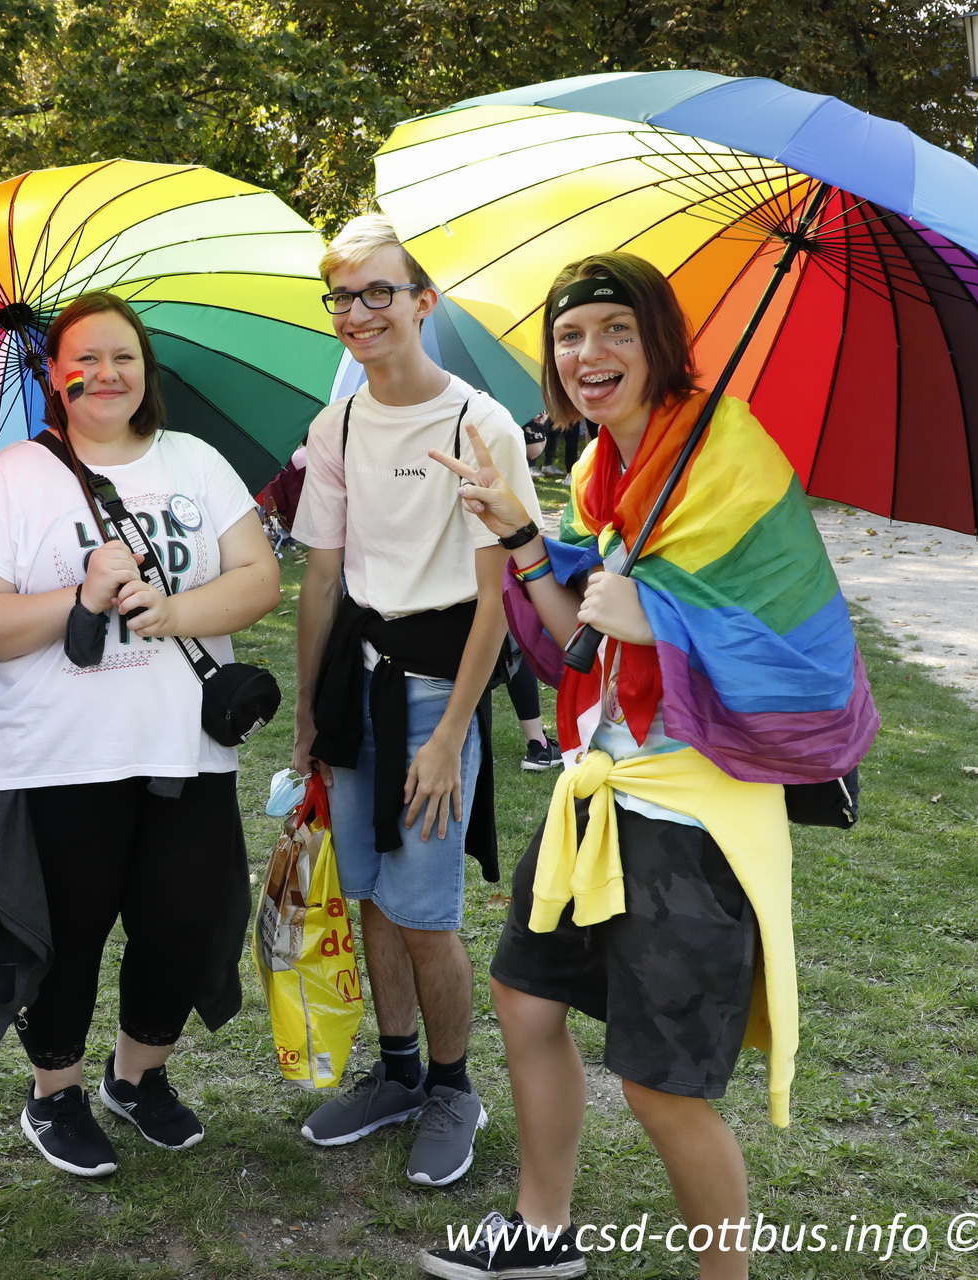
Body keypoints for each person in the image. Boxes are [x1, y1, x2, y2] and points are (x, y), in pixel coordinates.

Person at [417, 253, 875, 1279]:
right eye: (572, 336)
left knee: (665, 1081)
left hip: (696, 805)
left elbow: (807, 655)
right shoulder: (598, 474)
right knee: (526, 1001)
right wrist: (524, 538)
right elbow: (581, 630)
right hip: (601, 780)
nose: (591, 353)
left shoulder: (732, 454)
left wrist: (666, 621)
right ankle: (540, 1233)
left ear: (659, 340)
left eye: (617, 329)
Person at [0, 291, 279, 1178]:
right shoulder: (12, 479)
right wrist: (79, 599)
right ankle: (56, 1093)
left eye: (123, 355)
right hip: (56, 757)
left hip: (181, 747)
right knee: (71, 933)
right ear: (55, 376)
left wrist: (169, 612)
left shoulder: (197, 463)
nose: (105, 373)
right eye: (83, 358)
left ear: (145, 370)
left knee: (180, 922)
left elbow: (259, 580)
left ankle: (139, 1079)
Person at [289, 214, 543, 1188]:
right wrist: (311, 712)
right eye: (343, 297)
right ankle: (396, 1073)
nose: (359, 313)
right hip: (357, 685)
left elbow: (498, 601)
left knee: (425, 909)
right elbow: (320, 578)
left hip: (438, 688)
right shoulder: (338, 424)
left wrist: (446, 736)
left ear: (421, 303)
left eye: (378, 293)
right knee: (369, 895)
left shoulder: (480, 425)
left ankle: (452, 1087)